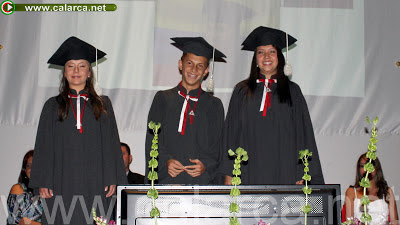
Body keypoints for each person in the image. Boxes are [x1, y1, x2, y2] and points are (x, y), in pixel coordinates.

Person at [29, 36, 127, 225]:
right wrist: (43, 181)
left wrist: (112, 177)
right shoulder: (52, 106)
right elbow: (43, 146)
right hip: (60, 183)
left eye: (82, 66)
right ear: (64, 72)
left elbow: (111, 144)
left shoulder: (103, 104)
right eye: (70, 66)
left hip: (96, 182)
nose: (76, 71)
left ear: (89, 72)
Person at [221, 26, 324, 185]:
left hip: (285, 169)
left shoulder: (293, 91)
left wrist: (302, 172)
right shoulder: (241, 91)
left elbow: (303, 134)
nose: (266, 56)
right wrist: (229, 172)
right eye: (261, 52)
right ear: (255, 58)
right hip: (247, 171)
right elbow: (231, 135)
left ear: (280, 57)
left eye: (272, 51)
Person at [145, 37, 226, 184]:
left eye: (200, 66)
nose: (194, 70)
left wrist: (206, 164)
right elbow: (152, 140)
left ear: (206, 71)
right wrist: (166, 161)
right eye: (189, 63)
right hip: (168, 179)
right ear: (180, 65)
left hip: (201, 181)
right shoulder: (163, 99)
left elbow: (219, 144)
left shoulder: (214, 105)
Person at [344, 153, 398, 224]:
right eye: (362, 166)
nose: (366, 169)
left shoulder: (387, 191)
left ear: (376, 168)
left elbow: (395, 222)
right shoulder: (351, 192)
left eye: (369, 165)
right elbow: (349, 222)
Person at [7, 150, 42, 225]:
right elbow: (18, 221)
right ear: (25, 170)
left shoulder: (48, 192)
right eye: (29, 166)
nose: (33, 169)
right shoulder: (18, 189)